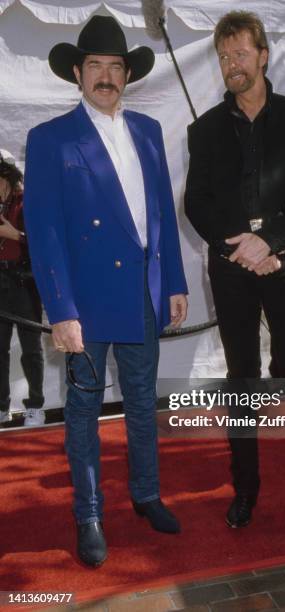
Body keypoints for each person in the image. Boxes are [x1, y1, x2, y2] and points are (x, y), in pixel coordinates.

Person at [24, 15, 188, 567]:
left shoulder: (148, 130)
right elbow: (44, 234)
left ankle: (146, 494)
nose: (106, 76)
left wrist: (175, 284)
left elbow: (162, 211)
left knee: (143, 405)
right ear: (77, 72)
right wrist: (61, 310)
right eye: (95, 65)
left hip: (142, 295)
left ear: (127, 74)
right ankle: (89, 512)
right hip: (86, 307)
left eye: (115, 67)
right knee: (83, 411)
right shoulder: (49, 139)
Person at [185, 10, 285, 548]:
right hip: (232, 268)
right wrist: (244, 248)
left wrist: (269, 243)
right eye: (224, 56)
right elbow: (197, 202)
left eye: (240, 53)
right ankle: (245, 489)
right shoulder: (203, 129)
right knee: (242, 380)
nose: (231, 64)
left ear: (263, 54)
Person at [0, 150, 45, 427]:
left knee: (31, 348)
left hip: (24, 281)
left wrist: (13, 234)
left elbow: (43, 245)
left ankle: (36, 406)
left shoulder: (27, 201)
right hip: (0, 281)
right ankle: (1, 406)